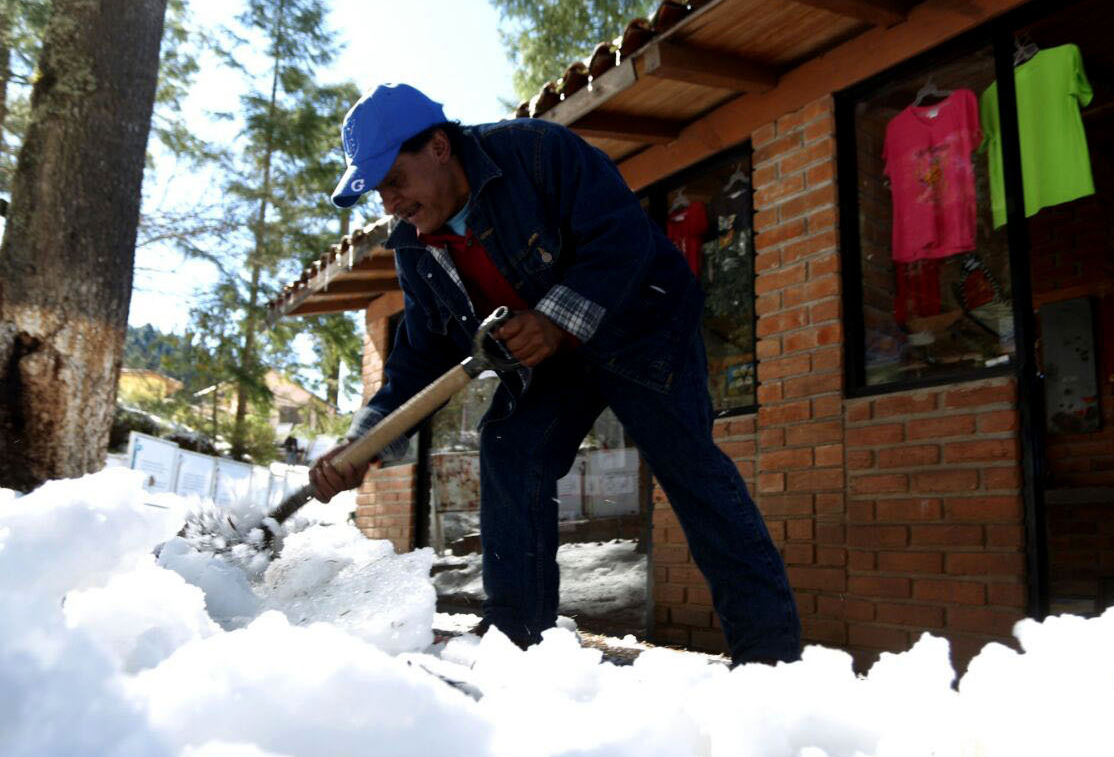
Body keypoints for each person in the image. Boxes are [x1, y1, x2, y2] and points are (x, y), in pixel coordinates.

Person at [310, 83, 802, 665]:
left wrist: (551, 321)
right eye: (379, 192)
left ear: (439, 147)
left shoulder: (539, 153)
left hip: (640, 327)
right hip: (555, 358)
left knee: (690, 468)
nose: (391, 203)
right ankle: (518, 641)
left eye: (395, 181)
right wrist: (365, 442)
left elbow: (622, 240)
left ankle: (771, 662)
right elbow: (420, 357)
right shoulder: (416, 248)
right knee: (510, 447)